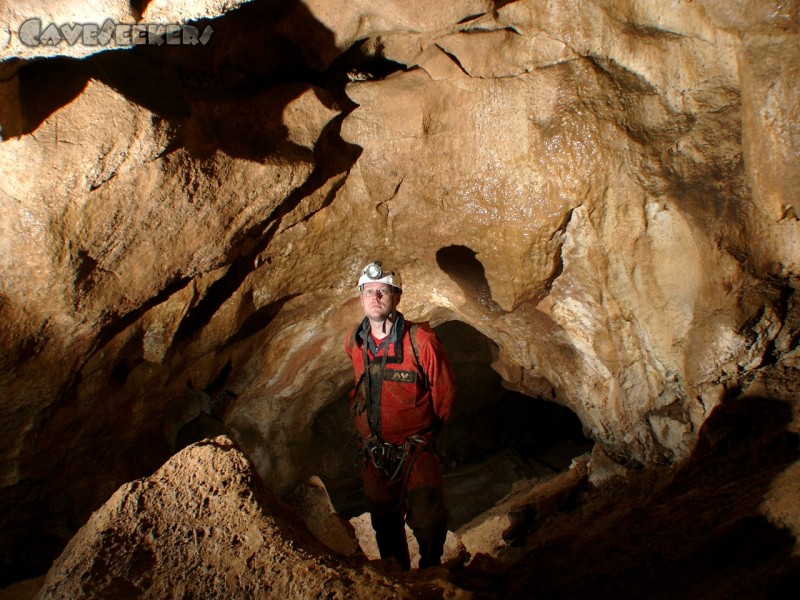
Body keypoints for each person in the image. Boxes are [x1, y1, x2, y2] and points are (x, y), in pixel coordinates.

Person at [345, 260, 457, 570]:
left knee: (429, 518)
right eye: (369, 291)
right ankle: (397, 580)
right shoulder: (356, 341)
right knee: (384, 523)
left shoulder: (421, 342)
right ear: (361, 297)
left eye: (383, 291)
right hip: (374, 452)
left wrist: (429, 436)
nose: (375, 297)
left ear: (397, 296)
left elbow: (444, 394)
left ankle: (431, 573)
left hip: (414, 448)